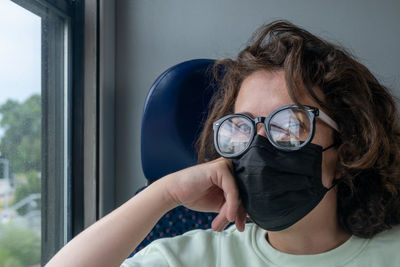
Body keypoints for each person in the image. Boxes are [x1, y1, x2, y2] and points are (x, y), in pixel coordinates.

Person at [46, 20, 400, 267]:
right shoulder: (191, 258)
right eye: (241, 127)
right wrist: (164, 194)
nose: (259, 146)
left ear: (348, 147)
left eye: (290, 125)